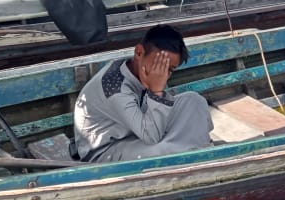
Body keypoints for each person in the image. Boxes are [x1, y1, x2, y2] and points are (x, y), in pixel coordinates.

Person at [73, 24, 212, 162]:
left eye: (169, 69)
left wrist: (156, 91)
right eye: (158, 65)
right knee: (164, 150)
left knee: (194, 101)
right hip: (105, 150)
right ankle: (194, 151)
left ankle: (196, 149)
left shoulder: (141, 70)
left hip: (138, 132)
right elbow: (151, 136)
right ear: (139, 53)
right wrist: (156, 91)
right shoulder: (115, 88)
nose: (162, 73)